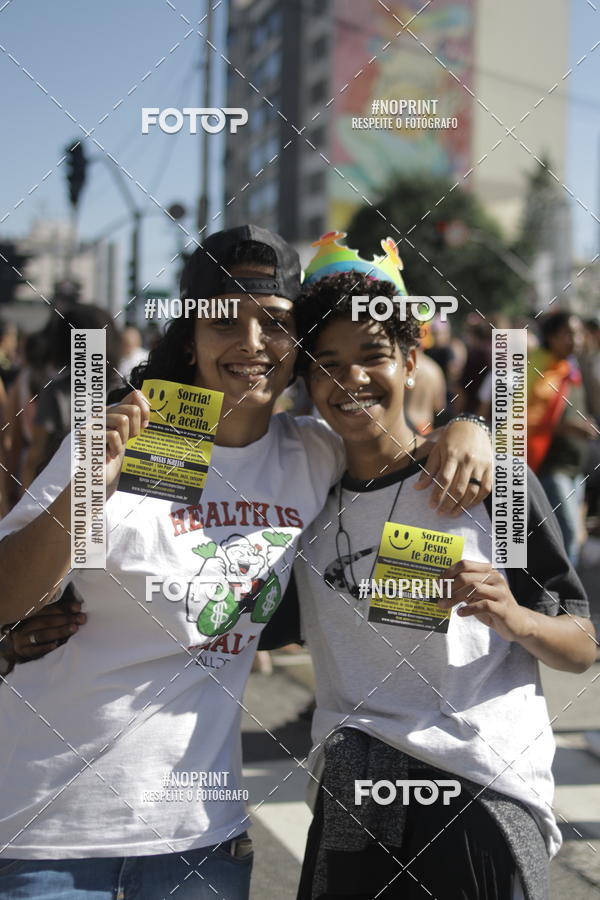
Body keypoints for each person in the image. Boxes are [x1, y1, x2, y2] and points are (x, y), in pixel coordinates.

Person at [0, 225, 493, 899]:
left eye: (275, 323)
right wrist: (88, 489)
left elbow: (395, 445)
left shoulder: (311, 454)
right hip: (47, 833)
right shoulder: (122, 434)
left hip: (201, 843)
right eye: (224, 319)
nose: (252, 343)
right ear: (191, 336)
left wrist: (475, 428)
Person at [264, 260, 595, 899]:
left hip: (480, 788)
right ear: (306, 381)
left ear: (413, 361)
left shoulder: (485, 483)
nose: (351, 377)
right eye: (327, 362)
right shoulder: (302, 495)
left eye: (373, 355)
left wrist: (515, 617)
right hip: (354, 791)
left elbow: (582, 643)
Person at [527, 312, 598, 565]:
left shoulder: (570, 368)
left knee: (570, 537)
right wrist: (566, 428)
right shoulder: (539, 369)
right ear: (551, 337)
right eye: (569, 333)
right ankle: (563, 597)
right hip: (550, 467)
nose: (577, 339)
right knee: (565, 535)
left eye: (579, 333)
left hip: (574, 469)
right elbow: (523, 420)